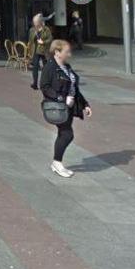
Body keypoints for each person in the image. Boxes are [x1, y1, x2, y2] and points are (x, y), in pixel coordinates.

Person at [39, 39, 91, 178]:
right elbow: (44, 86)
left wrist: (85, 104)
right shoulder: (49, 67)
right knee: (67, 134)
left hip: (69, 106)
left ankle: (57, 163)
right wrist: (61, 98)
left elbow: (74, 88)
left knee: (64, 133)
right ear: (57, 52)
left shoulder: (67, 67)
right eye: (67, 51)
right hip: (58, 107)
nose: (69, 54)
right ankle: (57, 163)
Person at [27, 13, 53, 90]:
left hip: (44, 50)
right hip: (35, 50)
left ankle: (46, 83)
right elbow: (30, 40)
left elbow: (50, 39)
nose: (35, 23)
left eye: (36, 22)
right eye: (34, 22)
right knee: (35, 67)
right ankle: (35, 83)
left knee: (45, 67)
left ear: (40, 22)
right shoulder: (32, 30)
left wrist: (43, 42)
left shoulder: (46, 29)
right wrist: (34, 36)